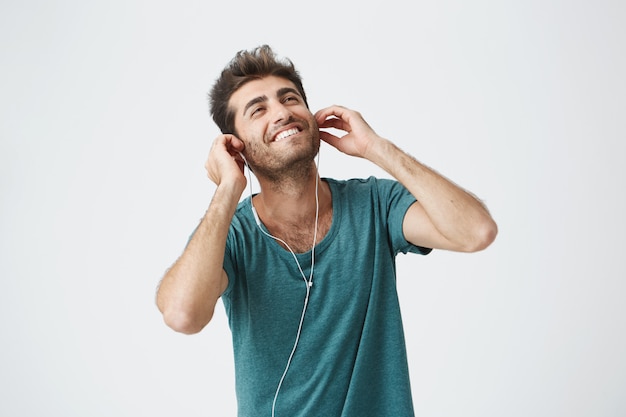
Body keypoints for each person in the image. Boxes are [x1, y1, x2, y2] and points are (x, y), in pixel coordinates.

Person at [156, 45, 497, 417]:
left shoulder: (375, 204)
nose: (283, 112)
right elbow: (182, 314)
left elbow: (476, 232)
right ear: (236, 146)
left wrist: (378, 148)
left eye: (290, 99)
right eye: (259, 109)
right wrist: (226, 189)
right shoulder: (232, 235)